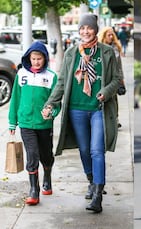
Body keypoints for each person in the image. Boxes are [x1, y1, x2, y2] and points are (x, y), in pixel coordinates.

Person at [41, 13, 120, 213]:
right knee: (84, 150)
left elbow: (117, 79)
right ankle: (92, 181)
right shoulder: (71, 54)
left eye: (89, 28)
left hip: (98, 110)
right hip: (76, 109)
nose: (85, 32)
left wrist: (106, 92)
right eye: (82, 28)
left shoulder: (107, 52)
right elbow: (61, 82)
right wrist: (51, 103)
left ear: (95, 29)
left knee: (96, 150)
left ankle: (98, 194)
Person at [8, 41, 59, 205]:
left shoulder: (51, 77)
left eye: (39, 59)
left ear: (45, 59)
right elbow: (15, 98)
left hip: (44, 125)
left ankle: (47, 178)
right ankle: (33, 190)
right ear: (29, 58)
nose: (36, 62)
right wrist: (12, 122)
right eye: (33, 58)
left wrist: (51, 112)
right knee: (32, 155)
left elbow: (57, 102)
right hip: (26, 123)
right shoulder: (21, 74)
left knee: (46, 155)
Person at [98, 26, 126, 128]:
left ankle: (115, 119)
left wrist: (122, 80)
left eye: (112, 35)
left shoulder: (116, 48)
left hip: (114, 78)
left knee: (114, 99)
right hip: (103, 78)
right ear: (104, 36)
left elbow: (119, 66)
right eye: (108, 35)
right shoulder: (100, 48)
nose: (111, 37)